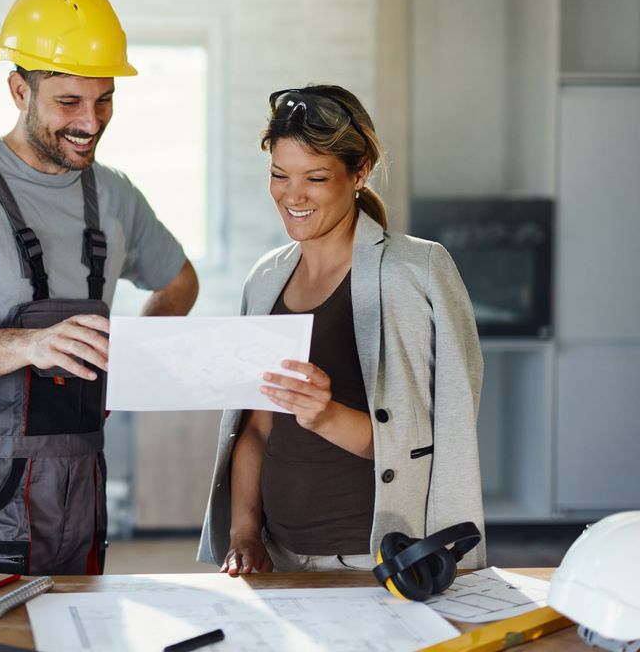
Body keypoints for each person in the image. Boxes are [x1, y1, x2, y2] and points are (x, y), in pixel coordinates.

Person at [0, 0, 199, 576]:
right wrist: (33, 344)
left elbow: (179, 280)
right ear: (18, 89)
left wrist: (131, 351)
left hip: (81, 475)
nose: (91, 121)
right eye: (68, 103)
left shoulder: (113, 193)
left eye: (105, 99)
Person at [198, 85, 486, 574]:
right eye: (278, 175)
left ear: (359, 173)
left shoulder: (417, 270)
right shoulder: (266, 278)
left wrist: (324, 415)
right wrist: (244, 533)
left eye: (315, 177)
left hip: (375, 558)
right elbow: (257, 430)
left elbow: (441, 438)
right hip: (278, 554)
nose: (293, 196)